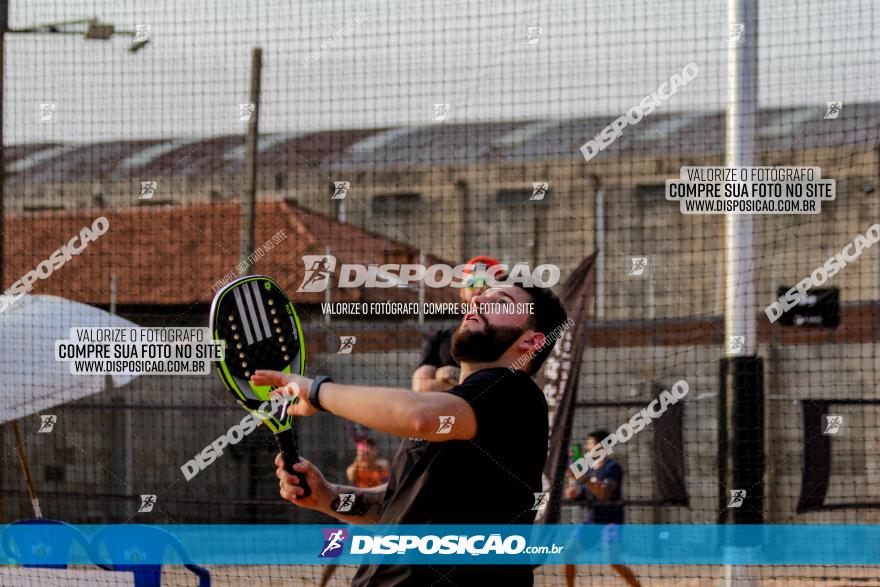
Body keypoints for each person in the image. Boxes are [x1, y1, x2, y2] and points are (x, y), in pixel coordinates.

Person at [253, 281, 568, 586]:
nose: (477, 301)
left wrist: (318, 391)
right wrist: (328, 497)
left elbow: (419, 417)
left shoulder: (512, 391)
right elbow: (394, 505)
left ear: (531, 341)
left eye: (500, 302)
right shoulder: (462, 405)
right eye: (481, 295)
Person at [411, 255, 501, 392]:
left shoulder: (508, 336)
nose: (480, 289)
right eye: (472, 283)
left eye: (487, 283)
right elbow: (421, 386)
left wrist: (445, 374)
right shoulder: (441, 337)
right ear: (462, 292)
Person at [564, 431, 641, 587]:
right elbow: (584, 495)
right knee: (568, 554)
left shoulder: (613, 467)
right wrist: (573, 490)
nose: (587, 447)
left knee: (614, 562)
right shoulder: (590, 468)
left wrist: (584, 478)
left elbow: (603, 494)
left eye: (590, 444)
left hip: (611, 522)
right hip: (592, 522)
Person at [319, 438, 390, 587]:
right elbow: (352, 475)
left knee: (374, 556)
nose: (366, 451)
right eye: (363, 449)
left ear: (375, 451)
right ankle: (321, 583)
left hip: (374, 517)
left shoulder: (383, 469)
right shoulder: (354, 469)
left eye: (369, 449)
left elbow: (387, 488)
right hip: (355, 516)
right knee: (334, 549)